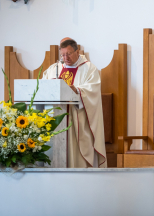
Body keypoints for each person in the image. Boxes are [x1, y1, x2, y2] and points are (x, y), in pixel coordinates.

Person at [43, 37, 106, 168]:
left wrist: (76, 90)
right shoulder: (54, 68)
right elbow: (43, 87)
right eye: (63, 55)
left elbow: (92, 91)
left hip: (77, 119)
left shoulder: (89, 68)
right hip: (55, 118)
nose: (65, 58)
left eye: (68, 54)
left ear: (77, 52)